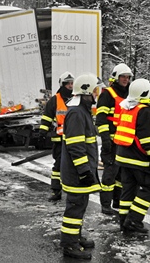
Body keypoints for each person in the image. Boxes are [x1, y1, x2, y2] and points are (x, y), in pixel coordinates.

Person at [114, 78, 150, 233]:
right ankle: (134, 220)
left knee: (128, 190)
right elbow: (148, 141)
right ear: (144, 94)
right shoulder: (144, 111)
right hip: (139, 161)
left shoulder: (127, 108)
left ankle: (124, 221)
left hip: (124, 159)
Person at [59, 73, 102, 260]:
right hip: (77, 172)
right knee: (75, 207)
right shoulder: (77, 113)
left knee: (80, 205)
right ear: (86, 92)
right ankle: (69, 245)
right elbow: (76, 147)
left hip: (80, 171)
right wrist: (85, 171)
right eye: (95, 90)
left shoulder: (82, 110)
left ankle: (74, 236)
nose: (97, 94)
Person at [95, 63, 132, 215]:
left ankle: (117, 201)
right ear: (116, 78)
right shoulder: (107, 94)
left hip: (124, 142)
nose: (125, 80)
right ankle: (105, 205)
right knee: (109, 174)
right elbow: (101, 119)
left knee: (121, 174)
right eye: (123, 77)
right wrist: (105, 139)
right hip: (110, 142)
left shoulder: (129, 95)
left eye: (128, 77)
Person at [38, 71, 74, 201]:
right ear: (63, 84)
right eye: (68, 83)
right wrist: (43, 131)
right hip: (59, 140)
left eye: (72, 83)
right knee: (58, 166)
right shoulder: (55, 100)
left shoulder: (76, 98)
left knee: (75, 165)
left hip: (74, 139)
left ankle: (73, 191)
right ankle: (55, 191)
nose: (70, 86)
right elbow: (47, 117)